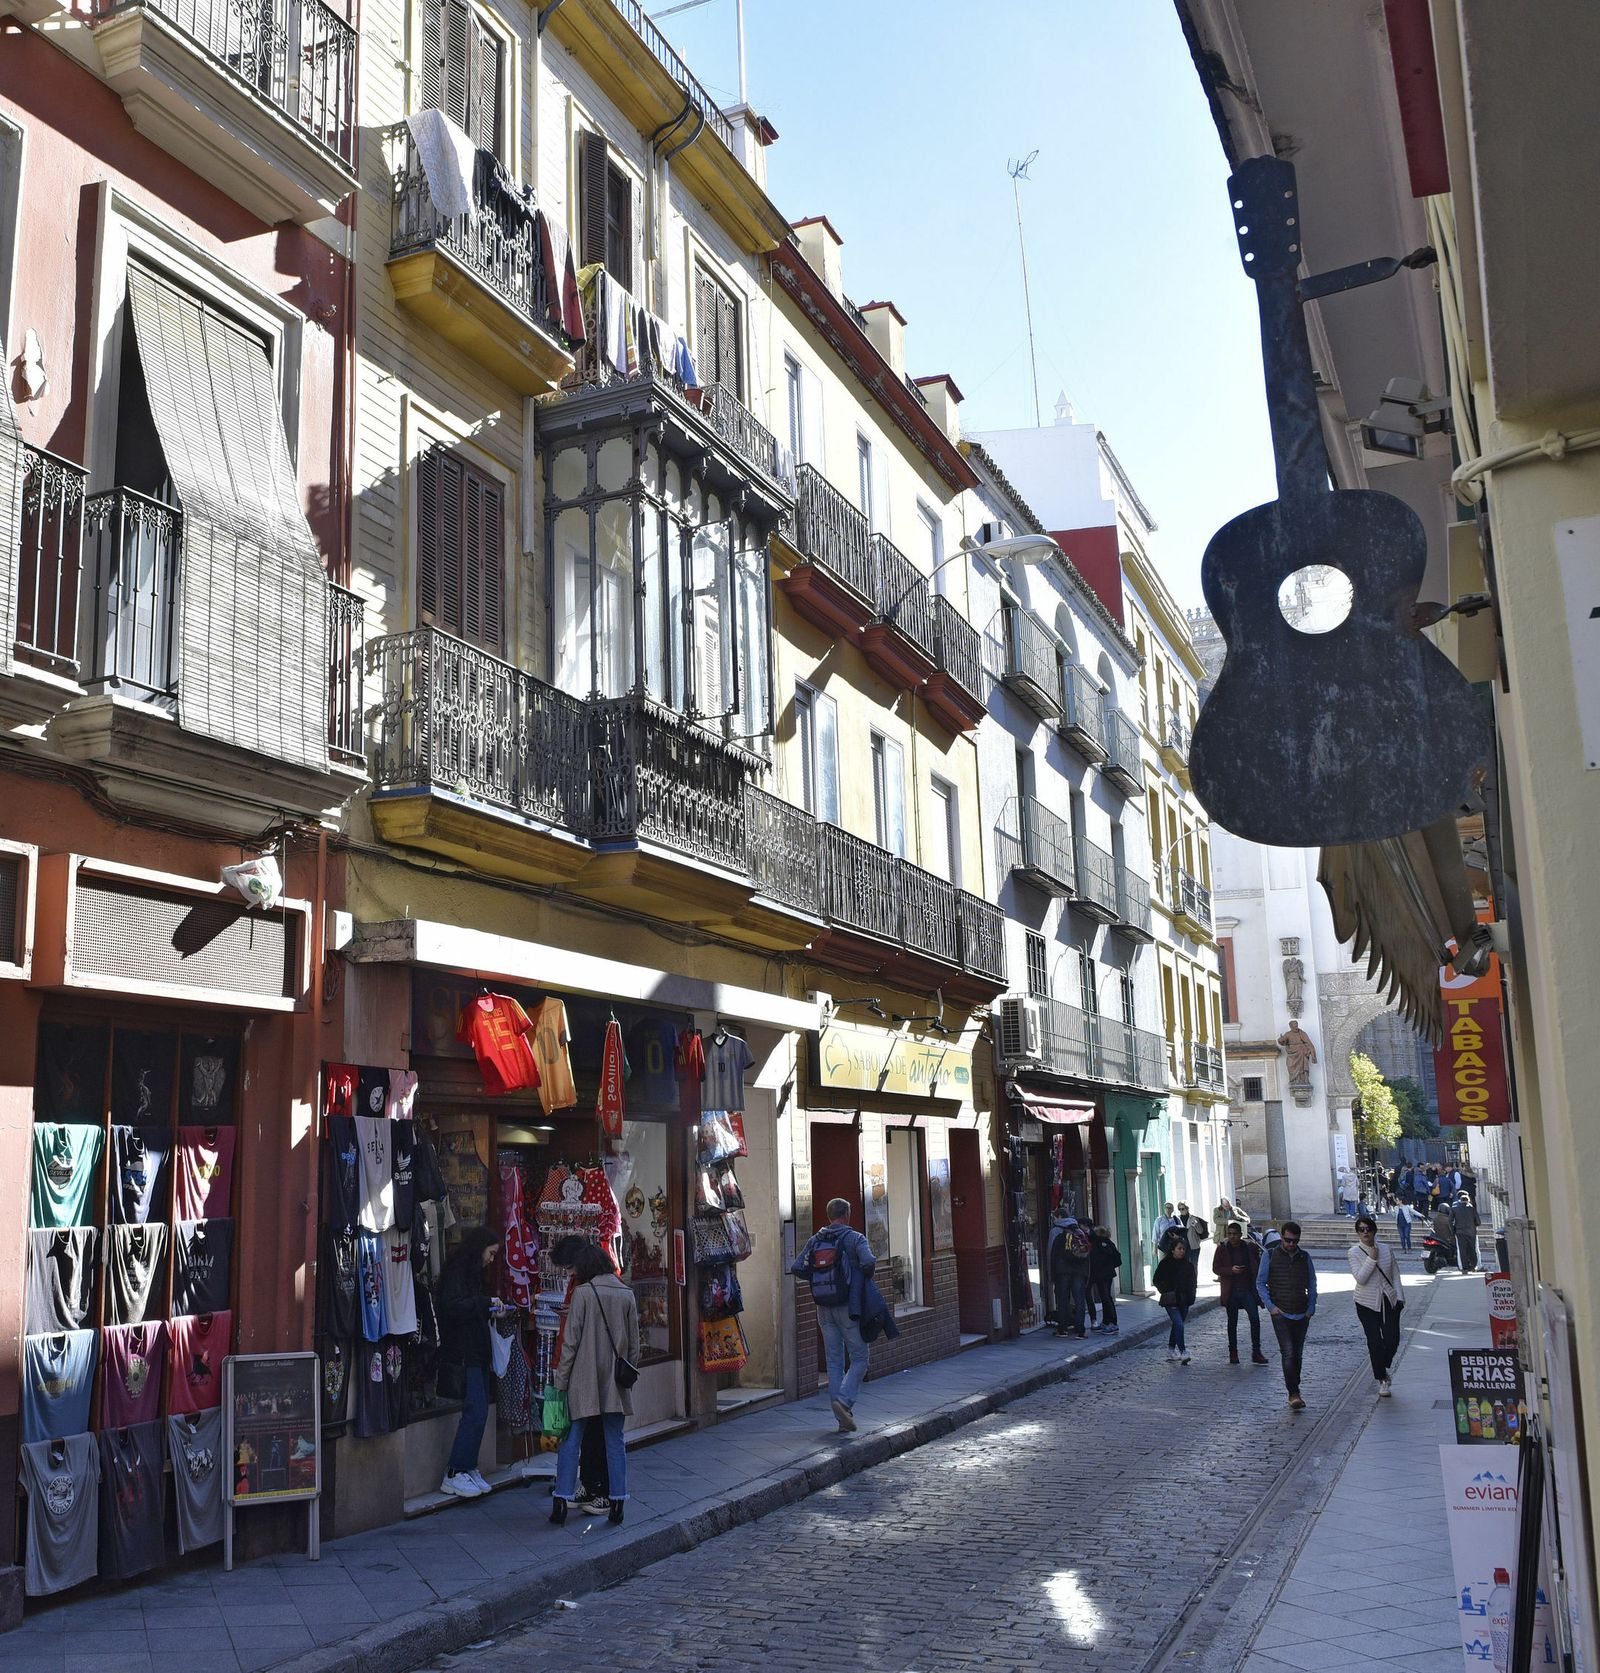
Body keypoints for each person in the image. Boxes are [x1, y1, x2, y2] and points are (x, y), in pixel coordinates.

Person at [549, 1242, 638, 1527]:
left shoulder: (583, 1294)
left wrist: (560, 1381)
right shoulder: (626, 1294)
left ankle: (561, 1500)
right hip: (614, 1381)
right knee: (615, 1441)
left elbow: (571, 1343)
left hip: (581, 1380)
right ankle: (618, 1501)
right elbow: (635, 1347)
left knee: (571, 1440)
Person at [791, 1198, 876, 1432]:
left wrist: (820, 1279)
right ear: (847, 1214)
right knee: (860, 1358)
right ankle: (844, 1402)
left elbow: (797, 1267)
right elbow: (869, 1262)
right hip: (849, 1306)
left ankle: (842, 1421)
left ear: (829, 1216)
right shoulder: (855, 1238)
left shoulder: (815, 1240)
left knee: (834, 1362)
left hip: (823, 1308)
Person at [436, 1227, 499, 1499]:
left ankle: (468, 1466)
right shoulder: (458, 1274)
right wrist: (485, 1304)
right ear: (480, 1248)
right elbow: (452, 1307)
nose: (492, 1259)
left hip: (477, 1350)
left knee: (480, 1412)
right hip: (466, 1351)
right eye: (491, 1253)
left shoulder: (472, 1274)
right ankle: (455, 1470)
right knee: (474, 1411)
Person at [1257, 1219, 1317, 1410]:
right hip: (1281, 1313)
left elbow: (1312, 1283)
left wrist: (1310, 1308)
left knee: (1297, 1354)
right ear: (1281, 1237)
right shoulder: (1270, 1255)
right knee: (1288, 1353)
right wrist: (1271, 1307)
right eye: (1287, 1240)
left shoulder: (1304, 1257)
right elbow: (1260, 1283)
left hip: (1301, 1312)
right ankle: (1293, 1393)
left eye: (1294, 1241)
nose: (1291, 1244)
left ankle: (1295, 1387)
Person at [1349, 1215, 1404, 1395]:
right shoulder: (1354, 1252)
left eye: (1368, 1229)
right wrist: (1371, 1259)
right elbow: (1361, 1278)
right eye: (1361, 1229)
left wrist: (1400, 1297)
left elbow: (1394, 1273)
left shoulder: (1386, 1249)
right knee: (1374, 1341)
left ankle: (1383, 1364)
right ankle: (1381, 1378)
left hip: (1388, 1299)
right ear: (1358, 1232)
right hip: (1365, 1302)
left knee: (1392, 1339)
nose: (1365, 1232)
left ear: (1374, 1230)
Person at [1213, 1221, 1268, 1366]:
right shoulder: (1222, 1249)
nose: (1232, 1237)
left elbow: (1257, 1264)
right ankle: (1233, 1352)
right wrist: (1231, 1270)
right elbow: (1216, 1268)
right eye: (1229, 1234)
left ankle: (1256, 1351)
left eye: (1235, 1234)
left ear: (1240, 1235)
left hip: (1247, 1290)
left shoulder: (1249, 1247)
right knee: (1232, 1323)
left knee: (1255, 1319)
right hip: (1231, 1291)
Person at [1152, 1238, 1197, 1363]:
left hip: (1185, 1299)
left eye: (1183, 1249)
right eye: (1179, 1249)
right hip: (1171, 1299)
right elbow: (1156, 1279)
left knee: (1177, 1324)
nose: (1182, 1251)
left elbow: (1193, 1283)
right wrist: (1166, 1291)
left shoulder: (1188, 1265)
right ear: (1172, 1250)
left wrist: (1191, 1296)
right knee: (1179, 1324)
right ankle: (1183, 1351)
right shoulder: (1165, 1263)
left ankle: (1171, 1349)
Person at [1048, 1212, 1092, 1339]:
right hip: (1079, 1272)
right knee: (1079, 1300)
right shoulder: (1081, 1234)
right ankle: (1080, 1331)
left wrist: (1052, 1275)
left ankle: (1062, 1329)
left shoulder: (1059, 1235)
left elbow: (1053, 1256)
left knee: (1063, 1300)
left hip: (1063, 1272)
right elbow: (1087, 1256)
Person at [1088, 1225, 1122, 1335]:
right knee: (1105, 1297)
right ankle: (1107, 1321)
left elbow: (1101, 1259)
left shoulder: (1101, 1244)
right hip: (1106, 1274)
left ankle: (1112, 1322)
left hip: (1103, 1275)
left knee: (1106, 1298)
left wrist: (1104, 1267)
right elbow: (1117, 1259)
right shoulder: (1108, 1243)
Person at [1452, 1191, 1481, 1272]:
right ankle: (1473, 1266)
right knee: (1472, 1249)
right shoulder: (1472, 1209)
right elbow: (1478, 1222)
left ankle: (1464, 1267)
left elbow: (1450, 1221)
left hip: (1460, 1232)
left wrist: (1453, 1230)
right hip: (1471, 1232)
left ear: (1460, 1200)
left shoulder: (1454, 1209)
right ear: (1468, 1200)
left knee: (1462, 1250)